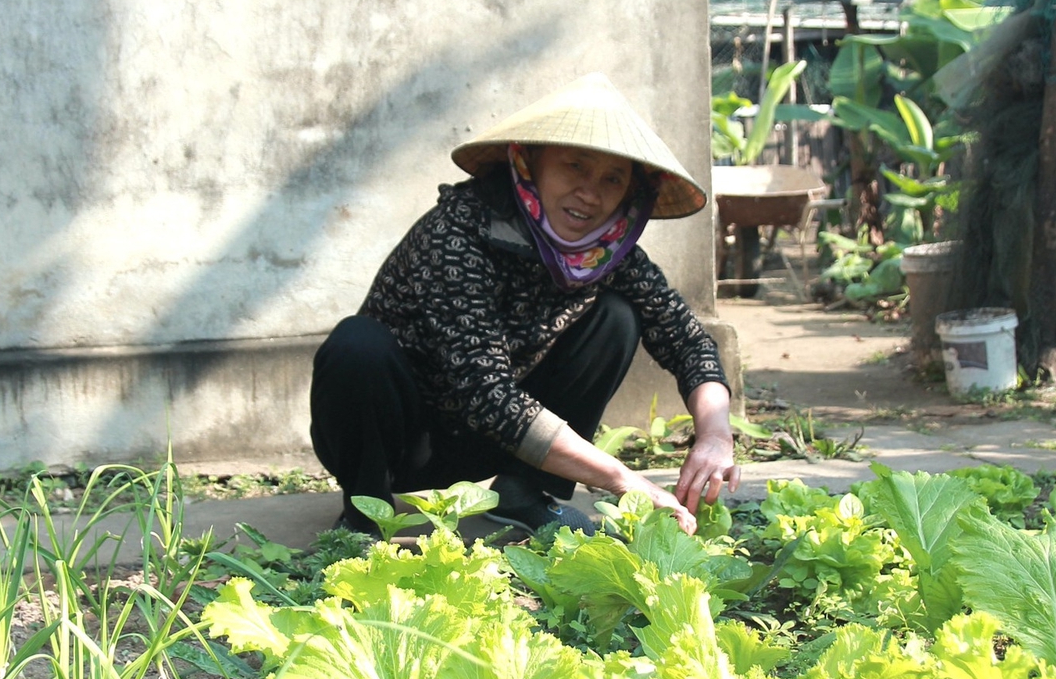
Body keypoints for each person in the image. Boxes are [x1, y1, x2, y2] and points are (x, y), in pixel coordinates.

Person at [310, 73, 740, 536]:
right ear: (529, 163)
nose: (590, 194)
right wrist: (624, 481)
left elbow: (687, 340)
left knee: (616, 316)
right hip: (405, 441)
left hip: (499, 445)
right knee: (357, 345)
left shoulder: (610, 256)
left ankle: (521, 493)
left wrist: (715, 435)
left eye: (612, 179)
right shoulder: (457, 232)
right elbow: (486, 393)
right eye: (575, 166)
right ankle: (364, 512)